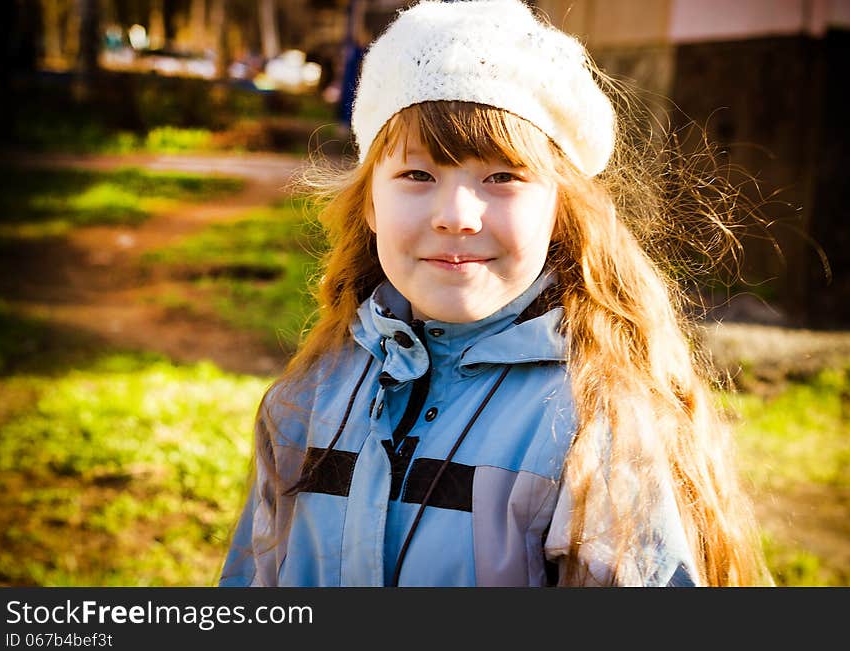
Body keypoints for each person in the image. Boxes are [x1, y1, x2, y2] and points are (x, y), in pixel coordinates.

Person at [219, 0, 773, 587]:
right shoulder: (308, 399)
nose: (457, 215)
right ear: (370, 205)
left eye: (502, 177)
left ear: (561, 211)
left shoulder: (597, 433)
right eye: (417, 175)